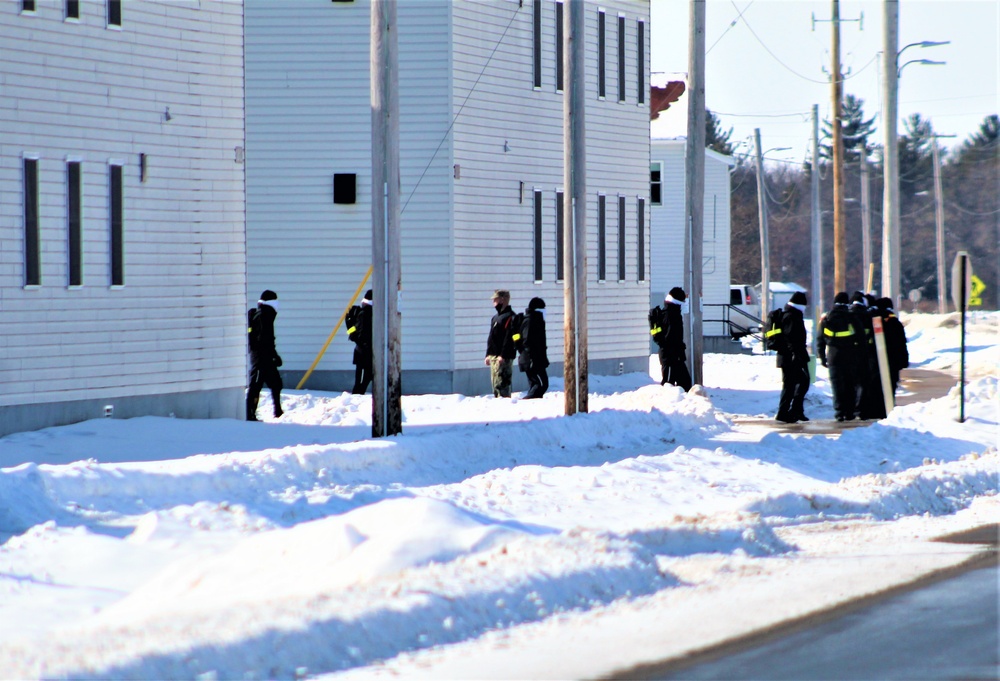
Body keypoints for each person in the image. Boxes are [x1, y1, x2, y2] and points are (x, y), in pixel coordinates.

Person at [817, 291, 860, 422]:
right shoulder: (852, 318)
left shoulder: (827, 319)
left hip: (833, 356)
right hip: (850, 356)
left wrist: (822, 358)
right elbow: (861, 338)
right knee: (850, 384)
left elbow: (820, 340)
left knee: (837, 385)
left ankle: (839, 412)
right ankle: (849, 412)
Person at [774, 291, 811, 424]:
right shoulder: (792, 316)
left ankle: (796, 411)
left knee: (800, 382)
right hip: (791, 357)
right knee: (792, 384)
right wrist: (795, 354)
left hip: (793, 356)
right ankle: (783, 413)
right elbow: (791, 338)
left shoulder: (793, 315)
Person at [247, 289, 283, 421]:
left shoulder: (265, 314)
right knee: (255, 385)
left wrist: (273, 355)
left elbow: (268, 338)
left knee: (276, 383)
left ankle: (278, 411)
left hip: (265, 355)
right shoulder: (265, 315)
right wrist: (273, 354)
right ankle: (250, 414)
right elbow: (265, 338)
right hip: (261, 356)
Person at [649, 287, 692, 391]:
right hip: (670, 356)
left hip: (676, 356)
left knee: (685, 383)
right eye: (683, 301)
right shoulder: (670, 315)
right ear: (677, 301)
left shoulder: (675, 314)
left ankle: (684, 404)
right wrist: (676, 352)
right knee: (668, 385)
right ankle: (668, 405)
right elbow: (669, 338)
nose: (685, 303)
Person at [851, 291, 884, 420]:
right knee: (864, 383)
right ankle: (862, 409)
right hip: (868, 353)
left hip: (851, 353)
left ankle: (853, 408)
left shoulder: (849, 315)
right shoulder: (871, 317)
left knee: (854, 383)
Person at [485, 289, 517, 398]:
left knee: (502, 383)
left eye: (496, 300)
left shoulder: (511, 316)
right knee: (495, 384)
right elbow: (491, 337)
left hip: (503, 357)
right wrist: (488, 354)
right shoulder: (495, 318)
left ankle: (504, 404)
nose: (494, 302)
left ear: (502, 300)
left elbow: (509, 338)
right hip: (494, 355)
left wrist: (503, 355)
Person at [876, 296, 909, 395]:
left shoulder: (875, 322)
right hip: (894, 361)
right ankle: (890, 408)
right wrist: (904, 360)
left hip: (878, 362)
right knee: (891, 389)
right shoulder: (896, 323)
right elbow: (902, 343)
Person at [517, 297, 549, 399]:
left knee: (542, 385)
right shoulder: (530, 320)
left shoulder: (537, 320)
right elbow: (527, 341)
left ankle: (535, 401)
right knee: (538, 385)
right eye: (542, 309)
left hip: (537, 358)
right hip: (532, 359)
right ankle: (529, 402)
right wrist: (530, 358)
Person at [351, 289, 374, 395]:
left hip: (359, 348)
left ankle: (358, 392)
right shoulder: (367, 314)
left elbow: (353, 333)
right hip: (366, 348)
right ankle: (359, 392)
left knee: (360, 373)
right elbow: (363, 332)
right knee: (368, 374)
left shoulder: (361, 312)